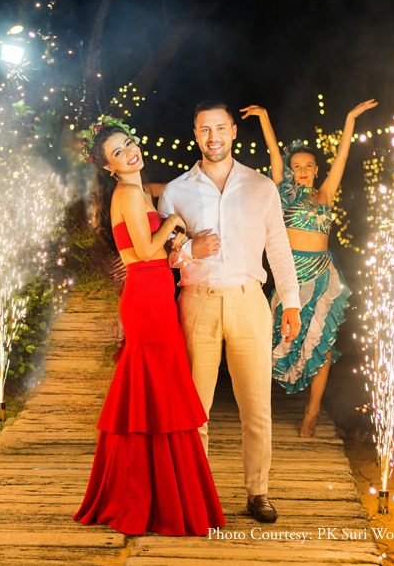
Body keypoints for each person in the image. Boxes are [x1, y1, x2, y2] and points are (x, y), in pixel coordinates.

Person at [73, 116, 226, 536]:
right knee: (151, 388)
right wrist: (172, 224)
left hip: (155, 292)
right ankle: (143, 496)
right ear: (108, 166)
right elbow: (143, 250)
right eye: (117, 152)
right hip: (145, 296)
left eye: (128, 143)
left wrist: (172, 235)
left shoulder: (138, 191)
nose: (129, 153)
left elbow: (151, 249)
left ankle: (160, 492)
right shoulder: (126, 193)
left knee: (159, 390)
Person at [157, 102, 301, 524]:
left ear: (234, 131)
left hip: (249, 301)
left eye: (220, 128)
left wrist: (291, 301)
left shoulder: (261, 186)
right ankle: (195, 494)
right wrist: (189, 249)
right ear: (195, 134)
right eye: (205, 129)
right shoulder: (176, 191)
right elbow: (162, 255)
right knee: (194, 411)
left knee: (256, 408)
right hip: (196, 302)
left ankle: (258, 491)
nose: (213, 136)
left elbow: (278, 247)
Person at [240, 100, 376, 438]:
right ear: (291, 170)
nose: (302, 170)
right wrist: (265, 117)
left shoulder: (325, 194)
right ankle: (258, 411)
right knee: (274, 339)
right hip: (291, 276)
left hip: (321, 276)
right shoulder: (282, 195)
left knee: (321, 344)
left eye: (308, 166)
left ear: (316, 169)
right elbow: (274, 154)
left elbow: (342, 156)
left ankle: (312, 412)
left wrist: (350, 118)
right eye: (296, 166)